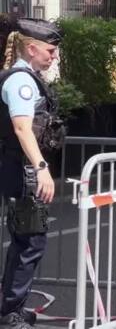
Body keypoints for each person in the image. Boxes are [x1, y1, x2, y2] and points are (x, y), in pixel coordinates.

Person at [0, 17, 64, 329]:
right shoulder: (21, 81)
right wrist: (41, 169)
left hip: (22, 168)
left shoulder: (27, 78)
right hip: (24, 170)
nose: (54, 56)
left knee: (26, 241)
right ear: (31, 48)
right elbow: (23, 128)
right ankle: (10, 312)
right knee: (29, 243)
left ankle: (11, 307)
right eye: (50, 50)